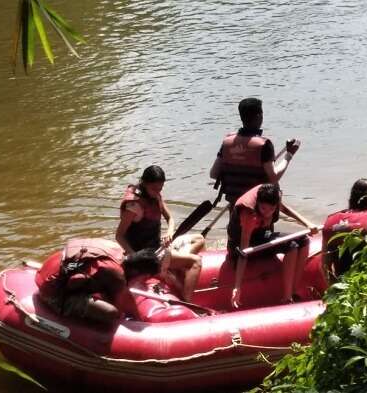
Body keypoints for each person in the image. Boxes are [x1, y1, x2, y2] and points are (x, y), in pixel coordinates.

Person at [115, 165, 204, 302]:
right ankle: (188, 301)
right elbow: (119, 235)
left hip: (158, 246)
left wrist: (169, 232)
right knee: (196, 262)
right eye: (154, 189)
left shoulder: (155, 196)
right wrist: (135, 256)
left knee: (199, 239)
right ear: (144, 183)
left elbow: (170, 218)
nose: (157, 192)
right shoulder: (134, 205)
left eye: (160, 189)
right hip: (149, 255)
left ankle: (176, 267)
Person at [227, 183, 319, 307]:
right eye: (264, 209)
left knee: (304, 240)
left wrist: (307, 223)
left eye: (272, 209)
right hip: (241, 244)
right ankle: (287, 298)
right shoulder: (248, 213)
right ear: (258, 203)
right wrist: (237, 286)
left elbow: (285, 209)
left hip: (261, 236)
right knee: (291, 245)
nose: (267, 213)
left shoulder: (272, 196)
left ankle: (293, 291)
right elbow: (244, 250)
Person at [35, 240, 161, 325]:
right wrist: (140, 323)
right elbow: (128, 307)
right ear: (135, 271)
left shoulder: (115, 249)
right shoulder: (115, 273)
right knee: (111, 313)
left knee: (104, 291)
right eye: (143, 276)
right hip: (51, 293)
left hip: (47, 272)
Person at [210, 97, 301, 205]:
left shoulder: (227, 143)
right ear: (259, 116)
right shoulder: (264, 144)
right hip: (257, 206)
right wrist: (289, 155)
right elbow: (273, 177)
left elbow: (213, 174)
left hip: (235, 203)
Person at [321, 178, 367, 277]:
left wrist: (333, 285)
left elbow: (325, 266)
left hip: (343, 280)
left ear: (351, 199)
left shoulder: (330, 223)